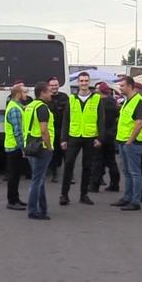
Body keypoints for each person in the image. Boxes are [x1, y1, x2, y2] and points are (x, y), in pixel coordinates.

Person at [60, 71, 105, 206]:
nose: (84, 83)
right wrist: (63, 139)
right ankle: (64, 195)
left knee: (87, 166)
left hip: (90, 137)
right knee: (68, 164)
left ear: (89, 82)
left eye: (86, 81)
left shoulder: (96, 99)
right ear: (78, 83)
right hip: (74, 136)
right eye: (81, 81)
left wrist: (100, 138)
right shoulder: (72, 99)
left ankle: (83, 195)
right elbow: (66, 120)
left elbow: (101, 120)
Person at [111, 76, 142, 211]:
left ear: (130, 86)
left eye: (122, 86)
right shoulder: (127, 100)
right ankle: (127, 197)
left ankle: (135, 201)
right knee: (127, 172)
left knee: (134, 172)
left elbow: (139, 123)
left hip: (132, 142)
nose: (120, 88)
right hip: (123, 141)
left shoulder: (139, 101)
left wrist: (130, 141)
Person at [24, 82, 55, 220]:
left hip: (31, 145)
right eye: (49, 91)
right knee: (37, 180)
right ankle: (32, 210)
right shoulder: (42, 108)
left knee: (39, 178)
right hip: (41, 147)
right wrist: (49, 146)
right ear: (42, 93)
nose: (51, 94)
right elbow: (44, 130)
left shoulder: (30, 106)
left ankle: (43, 208)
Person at [89, 82, 120, 193]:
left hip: (101, 134)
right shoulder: (113, 102)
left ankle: (94, 185)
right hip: (111, 134)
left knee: (97, 161)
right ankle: (114, 184)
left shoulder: (100, 103)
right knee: (111, 161)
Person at [4, 84, 28, 210]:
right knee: (13, 176)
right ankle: (12, 201)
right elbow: (17, 131)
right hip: (14, 147)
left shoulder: (16, 106)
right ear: (18, 94)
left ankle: (15, 199)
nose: (26, 94)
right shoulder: (15, 109)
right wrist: (23, 148)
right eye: (24, 92)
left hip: (13, 146)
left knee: (16, 175)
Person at [47, 77, 69, 183]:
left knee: (66, 153)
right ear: (48, 86)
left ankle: (70, 175)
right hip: (51, 129)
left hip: (63, 129)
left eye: (55, 85)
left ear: (59, 85)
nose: (54, 87)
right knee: (53, 153)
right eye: (52, 85)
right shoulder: (46, 98)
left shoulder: (64, 97)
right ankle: (54, 174)